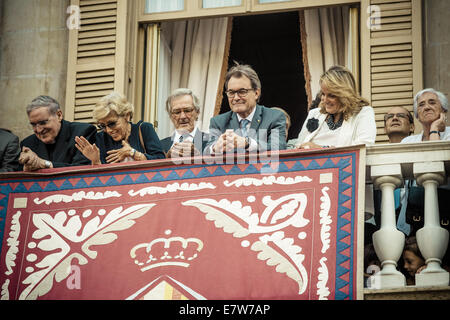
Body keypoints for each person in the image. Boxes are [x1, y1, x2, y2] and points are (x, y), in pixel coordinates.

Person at [205, 62, 286, 154]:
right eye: (231, 92)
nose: (236, 98)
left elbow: (278, 148)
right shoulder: (218, 122)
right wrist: (215, 148)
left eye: (242, 91)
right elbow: (206, 151)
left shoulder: (274, 117)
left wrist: (247, 143)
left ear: (256, 93)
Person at [295, 65, 376, 149]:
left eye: (331, 95)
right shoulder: (314, 114)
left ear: (345, 95)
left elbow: (365, 146)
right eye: (323, 94)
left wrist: (321, 149)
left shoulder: (363, 113)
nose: (325, 100)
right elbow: (299, 145)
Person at [75, 91, 165, 165]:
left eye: (112, 123)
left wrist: (133, 153)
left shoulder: (144, 129)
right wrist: (95, 161)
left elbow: (161, 161)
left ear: (127, 116)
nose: (108, 130)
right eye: (102, 126)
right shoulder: (100, 139)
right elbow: (100, 179)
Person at [19, 95, 96, 171]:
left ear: (59, 115)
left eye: (43, 122)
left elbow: (83, 169)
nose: (38, 130)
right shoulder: (28, 143)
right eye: (33, 125)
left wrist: (45, 164)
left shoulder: (82, 132)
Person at [160, 88, 210, 158]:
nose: (182, 116)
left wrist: (198, 157)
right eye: (177, 112)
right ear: (170, 116)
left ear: (197, 112)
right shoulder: (160, 146)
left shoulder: (211, 142)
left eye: (187, 110)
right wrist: (167, 159)